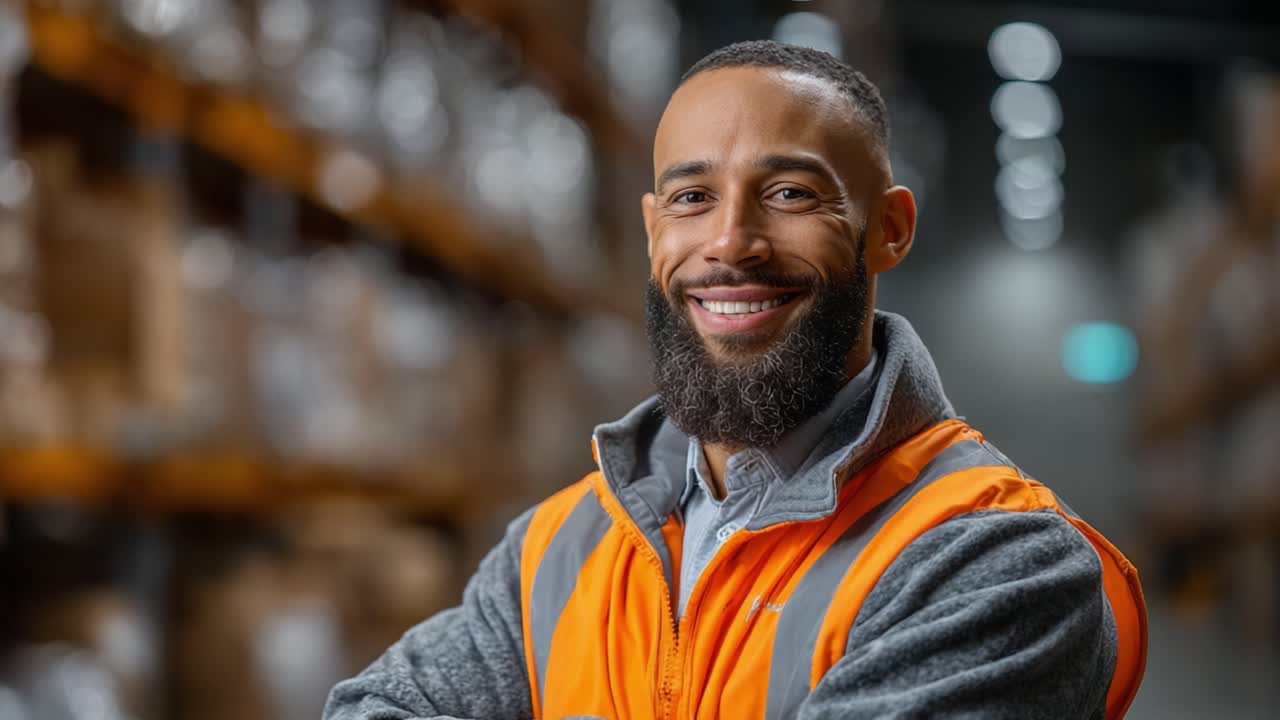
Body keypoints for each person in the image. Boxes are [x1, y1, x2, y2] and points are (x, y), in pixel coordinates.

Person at [323, 40, 1147, 720]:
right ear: (652, 233)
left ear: (888, 230)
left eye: (789, 193)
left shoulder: (995, 557)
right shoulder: (557, 551)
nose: (730, 243)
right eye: (691, 196)